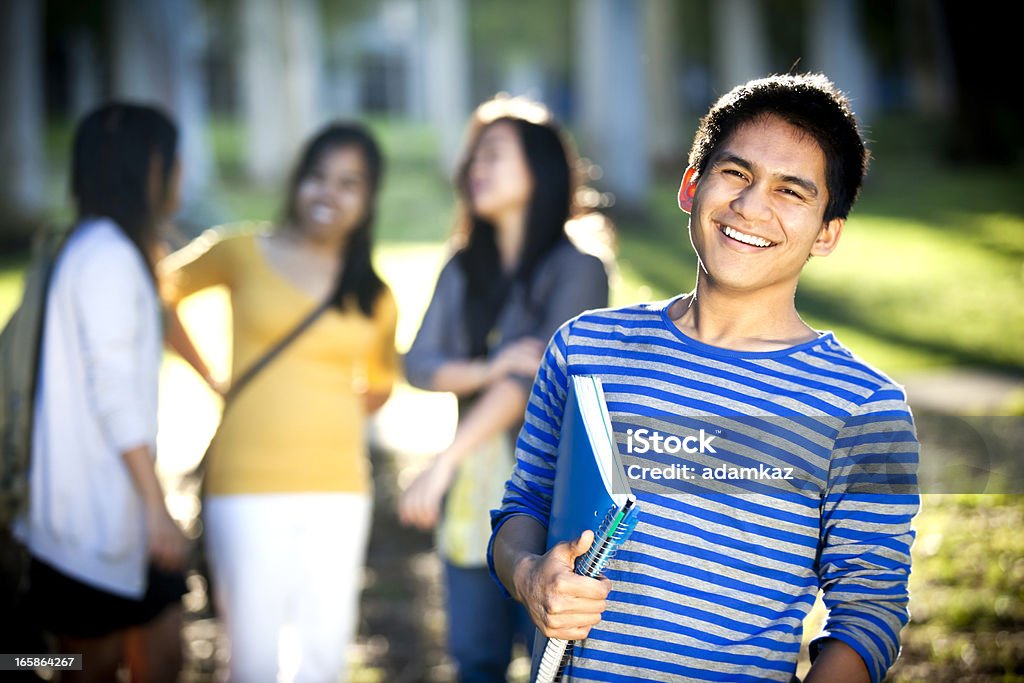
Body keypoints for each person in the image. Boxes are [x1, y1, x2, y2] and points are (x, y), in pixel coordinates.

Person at [489, 73, 921, 683]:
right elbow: (523, 508)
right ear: (692, 185)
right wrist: (531, 576)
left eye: (791, 191)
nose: (750, 206)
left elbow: (868, 612)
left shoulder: (863, 406)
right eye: (736, 174)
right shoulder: (585, 348)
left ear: (827, 232)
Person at [160, 123, 398, 682]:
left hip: (340, 491)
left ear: (367, 201)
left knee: (324, 654)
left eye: (348, 183)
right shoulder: (240, 250)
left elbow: (381, 386)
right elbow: (156, 294)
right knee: (251, 658)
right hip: (245, 486)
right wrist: (211, 377)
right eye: (317, 177)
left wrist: (321, 414)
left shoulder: (375, 294)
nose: (328, 194)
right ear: (297, 182)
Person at [399, 95, 611, 682]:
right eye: (474, 158)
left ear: (539, 169)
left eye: (493, 155)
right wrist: (487, 369)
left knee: (553, 665)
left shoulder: (579, 268)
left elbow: (530, 383)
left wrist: (442, 463)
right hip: (471, 504)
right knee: (476, 662)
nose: (475, 169)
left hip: (548, 515)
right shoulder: (463, 267)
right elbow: (418, 364)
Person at [13, 103, 189, 683]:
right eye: (174, 159)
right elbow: (115, 393)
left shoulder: (93, 247)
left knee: (140, 653)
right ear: (151, 168)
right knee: (85, 664)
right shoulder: (109, 258)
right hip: (94, 519)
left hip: (99, 514)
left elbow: (152, 325)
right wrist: (157, 509)